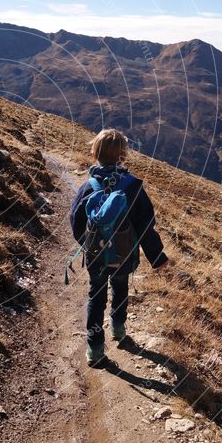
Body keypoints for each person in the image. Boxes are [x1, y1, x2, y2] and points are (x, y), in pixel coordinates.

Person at [70, 128, 169, 367]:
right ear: (122, 155)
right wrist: (157, 257)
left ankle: (94, 350)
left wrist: (88, 244)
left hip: (95, 256)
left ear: (95, 152)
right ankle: (119, 329)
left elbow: (75, 222)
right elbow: (146, 225)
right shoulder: (133, 187)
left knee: (96, 296)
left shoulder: (88, 186)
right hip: (124, 255)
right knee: (121, 289)